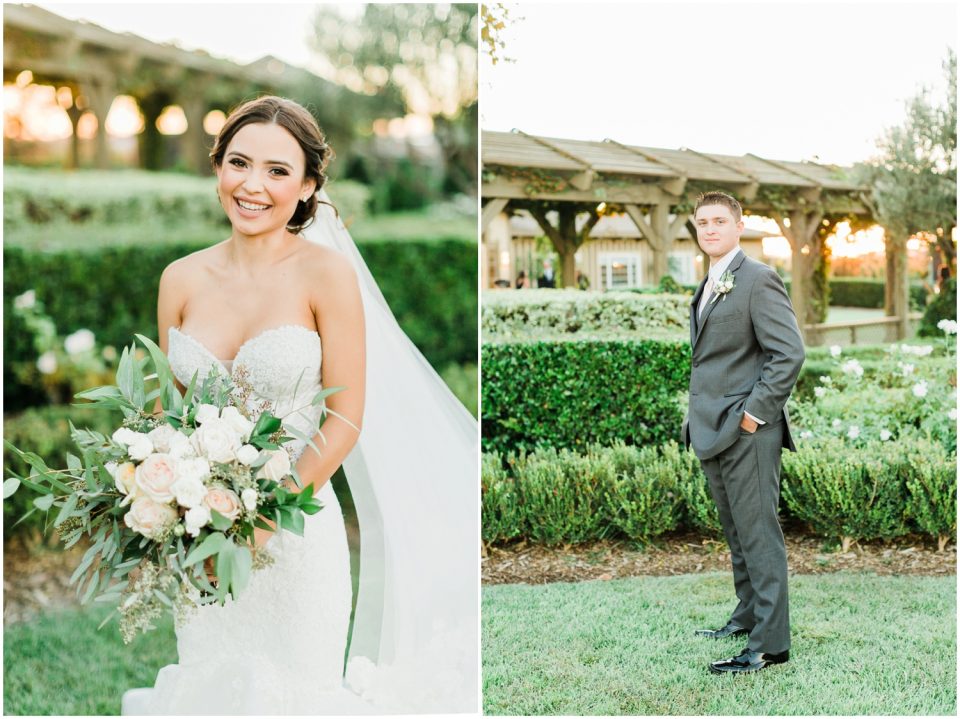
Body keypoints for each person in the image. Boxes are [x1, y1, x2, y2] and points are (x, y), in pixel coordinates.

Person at [121, 96, 478, 714]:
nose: (252, 185)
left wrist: (263, 517)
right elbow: (172, 420)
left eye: (278, 171)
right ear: (218, 167)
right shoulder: (178, 279)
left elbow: (343, 418)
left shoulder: (326, 276)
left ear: (308, 185)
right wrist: (160, 505)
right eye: (239, 163)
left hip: (294, 533)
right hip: (202, 541)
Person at [681, 191, 804, 675]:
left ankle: (770, 645)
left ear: (737, 226)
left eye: (718, 221)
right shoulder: (711, 281)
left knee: (758, 536)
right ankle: (747, 616)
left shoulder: (757, 279)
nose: (709, 229)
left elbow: (788, 354)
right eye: (702, 222)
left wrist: (753, 414)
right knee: (736, 533)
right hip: (711, 429)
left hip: (747, 434)